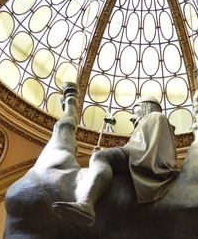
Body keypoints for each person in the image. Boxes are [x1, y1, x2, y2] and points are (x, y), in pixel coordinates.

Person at [52, 94, 179, 227]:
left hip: (143, 156)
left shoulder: (154, 117)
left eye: (135, 112)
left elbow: (139, 147)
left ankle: (87, 204)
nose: (132, 117)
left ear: (146, 108)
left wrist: (104, 154)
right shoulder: (159, 121)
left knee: (100, 157)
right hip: (143, 154)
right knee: (102, 155)